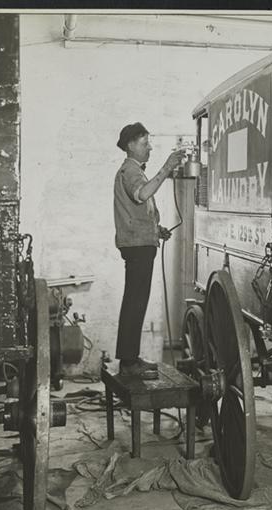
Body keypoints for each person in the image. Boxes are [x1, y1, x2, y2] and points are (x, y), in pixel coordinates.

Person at [114, 122, 186, 377]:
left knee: (136, 301)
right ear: (131, 145)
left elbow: (138, 211)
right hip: (138, 246)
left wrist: (157, 229)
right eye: (145, 143)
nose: (150, 148)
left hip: (141, 242)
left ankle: (130, 358)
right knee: (135, 302)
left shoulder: (133, 170)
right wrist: (167, 167)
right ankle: (128, 363)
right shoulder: (130, 171)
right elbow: (142, 195)